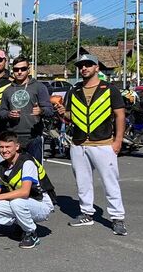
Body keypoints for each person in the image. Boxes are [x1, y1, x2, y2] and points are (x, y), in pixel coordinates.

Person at [54, 54, 128, 236]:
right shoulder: (75, 90)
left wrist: (118, 140)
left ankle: (117, 218)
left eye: (88, 65)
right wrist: (63, 112)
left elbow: (120, 115)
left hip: (103, 143)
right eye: (81, 65)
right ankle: (86, 213)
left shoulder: (109, 89)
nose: (84, 68)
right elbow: (71, 116)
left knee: (110, 182)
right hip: (79, 143)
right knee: (82, 182)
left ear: (97, 68)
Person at [0, 131, 55, 249]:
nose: (4, 150)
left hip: (41, 203)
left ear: (17, 147)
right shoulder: (1, 166)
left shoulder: (27, 162)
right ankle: (21, 224)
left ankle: (31, 233)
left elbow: (25, 192)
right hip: (21, 202)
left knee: (17, 202)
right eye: (1, 147)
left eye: (8, 147)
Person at [0, 56, 53, 162]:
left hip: (33, 137)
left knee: (34, 169)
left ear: (28, 69)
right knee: (14, 169)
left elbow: (50, 110)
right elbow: (1, 111)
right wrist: (9, 114)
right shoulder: (8, 90)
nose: (19, 72)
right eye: (16, 69)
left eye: (23, 69)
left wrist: (41, 111)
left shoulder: (39, 87)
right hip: (13, 137)